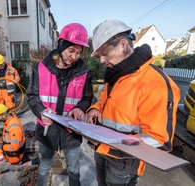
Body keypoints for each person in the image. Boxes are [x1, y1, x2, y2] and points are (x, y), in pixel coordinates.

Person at [86, 20, 181, 185]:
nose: (101, 60)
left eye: (104, 53)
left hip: (124, 165)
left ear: (123, 45)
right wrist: (95, 109)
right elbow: (104, 102)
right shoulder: (116, 75)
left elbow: (159, 141)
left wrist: (106, 142)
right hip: (101, 153)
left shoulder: (156, 84)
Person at [27, 23, 93, 186]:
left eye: (78, 52)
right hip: (46, 131)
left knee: (73, 170)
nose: (75, 56)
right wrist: (41, 111)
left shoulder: (83, 72)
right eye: (71, 51)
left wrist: (80, 107)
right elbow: (32, 96)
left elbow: (87, 97)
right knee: (44, 168)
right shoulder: (40, 68)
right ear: (61, 45)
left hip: (71, 132)